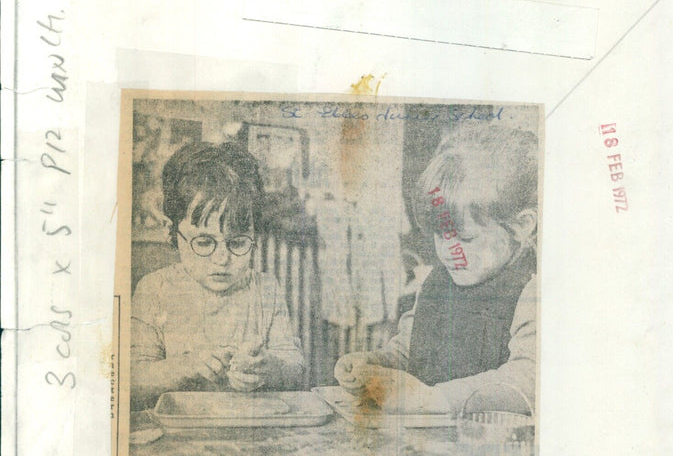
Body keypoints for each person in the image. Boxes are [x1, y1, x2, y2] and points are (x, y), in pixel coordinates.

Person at [334, 124, 538, 415]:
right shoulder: (436, 281)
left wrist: (432, 399)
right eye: (440, 234)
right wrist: (374, 364)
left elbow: (527, 381)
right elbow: (410, 350)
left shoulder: (532, 291)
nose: (449, 251)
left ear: (521, 226)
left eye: (466, 238)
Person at [130, 143, 304, 410]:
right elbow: (131, 383)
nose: (222, 258)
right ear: (172, 232)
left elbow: (296, 369)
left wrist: (270, 368)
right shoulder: (154, 290)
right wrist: (184, 366)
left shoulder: (266, 289)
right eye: (203, 243)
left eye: (237, 243)